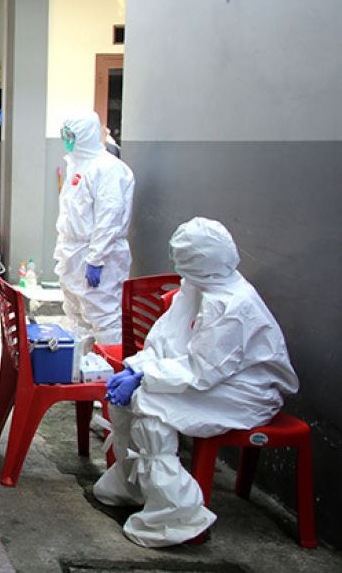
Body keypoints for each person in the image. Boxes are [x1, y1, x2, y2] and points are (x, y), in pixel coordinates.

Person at [94, 218, 299, 547]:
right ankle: (134, 484)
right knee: (127, 397)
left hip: (248, 392)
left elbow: (202, 369)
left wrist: (146, 376)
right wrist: (137, 367)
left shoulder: (233, 304)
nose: (176, 263)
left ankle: (177, 513)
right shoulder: (197, 287)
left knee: (149, 405)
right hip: (215, 379)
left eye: (182, 257)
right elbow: (165, 342)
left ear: (201, 260)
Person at [53, 112, 135, 344]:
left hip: (98, 256)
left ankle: (108, 370)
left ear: (86, 135)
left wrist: (96, 259)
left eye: (71, 135)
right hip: (73, 252)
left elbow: (109, 218)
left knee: (104, 315)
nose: (67, 140)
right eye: (64, 135)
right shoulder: (76, 164)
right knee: (76, 313)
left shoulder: (109, 169)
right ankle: (85, 368)